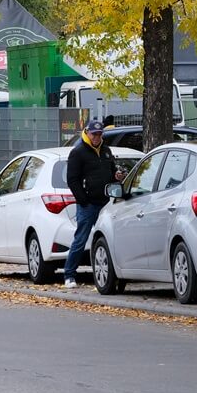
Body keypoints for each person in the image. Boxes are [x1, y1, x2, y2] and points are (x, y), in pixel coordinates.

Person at [64, 118, 124, 287]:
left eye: (99, 134)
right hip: (88, 204)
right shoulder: (78, 152)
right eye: (94, 134)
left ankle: (112, 273)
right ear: (87, 133)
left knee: (108, 237)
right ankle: (69, 275)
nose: (97, 137)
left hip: (106, 202)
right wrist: (83, 200)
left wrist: (116, 177)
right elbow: (72, 180)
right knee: (81, 239)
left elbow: (111, 172)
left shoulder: (106, 150)